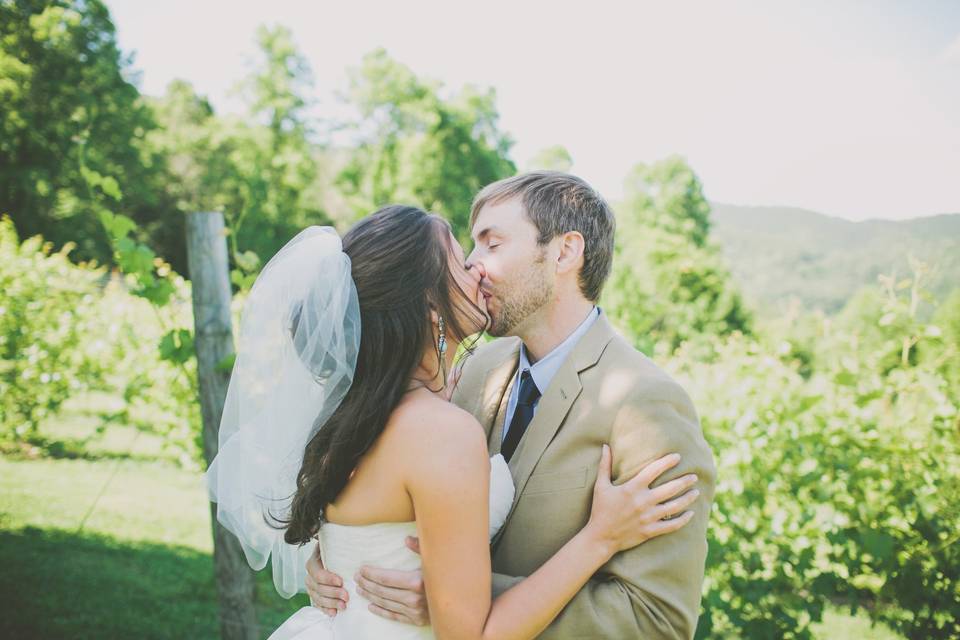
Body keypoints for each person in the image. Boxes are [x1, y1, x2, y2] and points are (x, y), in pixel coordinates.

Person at [206, 204, 699, 640]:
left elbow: (658, 617)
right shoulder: (446, 419)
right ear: (429, 304)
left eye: (491, 243)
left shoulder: (361, 411)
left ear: (566, 252)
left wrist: (428, 586)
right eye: (461, 259)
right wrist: (601, 537)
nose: (475, 269)